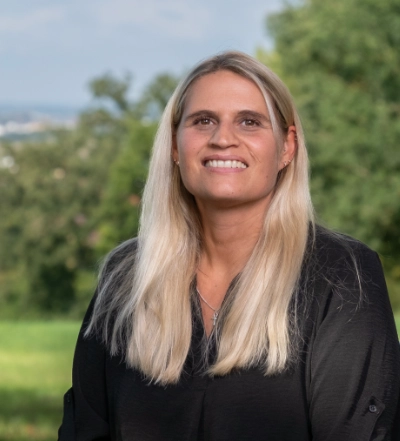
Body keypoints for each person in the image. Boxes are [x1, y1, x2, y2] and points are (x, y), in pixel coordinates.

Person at [58, 51, 400, 441]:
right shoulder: (126, 277)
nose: (222, 139)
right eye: (203, 121)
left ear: (287, 147)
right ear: (174, 145)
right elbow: (85, 430)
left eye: (249, 122)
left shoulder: (342, 275)